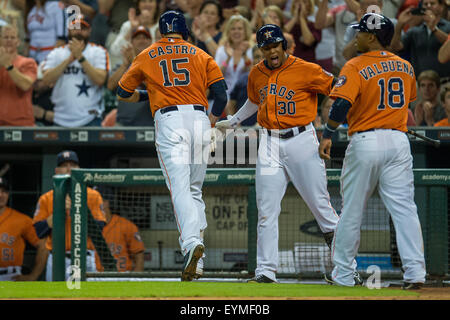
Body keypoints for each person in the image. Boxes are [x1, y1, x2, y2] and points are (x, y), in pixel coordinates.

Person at [215, 24, 354, 284]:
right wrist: (234, 121)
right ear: (261, 50)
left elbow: (339, 89)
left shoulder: (307, 69)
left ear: (284, 45)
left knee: (322, 208)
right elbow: (255, 101)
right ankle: (266, 271)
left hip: (302, 140)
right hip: (268, 142)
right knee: (266, 209)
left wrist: (346, 117)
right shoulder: (256, 73)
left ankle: (347, 270)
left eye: (275, 46)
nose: (271, 51)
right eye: (266, 47)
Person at [116, 11, 228, 281]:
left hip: (170, 120)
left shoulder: (147, 54)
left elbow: (121, 92)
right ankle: (198, 262)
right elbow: (222, 96)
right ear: (184, 31)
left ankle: (190, 244)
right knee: (194, 190)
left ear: (161, 32)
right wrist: (211, 122)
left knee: (179, 187)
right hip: (201, 119)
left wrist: (150, 93)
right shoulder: (201, 54)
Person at [318, 13, 426, 289]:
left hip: (366, 141)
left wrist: (328, 133)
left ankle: (343, 274)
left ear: (373, 36)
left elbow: (340, 106)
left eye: (361, 32)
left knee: (353, 210)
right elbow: (407, 104)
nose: (357, 35)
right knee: (404, 210)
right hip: (398, 141)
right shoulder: (405, 66)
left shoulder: (355, 65)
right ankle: (415, 274)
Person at [32, 150, 107, 281]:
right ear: (56, 170)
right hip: (57, 259)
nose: (68, 169)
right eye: (64, 165)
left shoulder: (93, 196)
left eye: (73, 165)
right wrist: (59, 211)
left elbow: (99, 229)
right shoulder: (47, 198)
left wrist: (76, 208)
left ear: (79, 169)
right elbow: (39, 231)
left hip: (85, 257)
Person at [42, 15, 109, 127]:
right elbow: (46, 80)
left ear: (89, 31)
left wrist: (80, 57)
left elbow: (100, 79)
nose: (78, 32)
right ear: (68, 30)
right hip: (60, 118)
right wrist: (68, 60)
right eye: (75, 28)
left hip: (90, 118)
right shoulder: (57, 53)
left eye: (82, 28)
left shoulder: (98, 51)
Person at [0, 177, 47, 281]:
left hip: (10, 276)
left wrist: (33, 275)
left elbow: (43, 245)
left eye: (4, 191)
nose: (1, 195)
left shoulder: (22, 220)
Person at [107, 26, 154, 126]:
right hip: (122, 123)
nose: (141, 41)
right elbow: (110, 86)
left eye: (145, 38)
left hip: (148, 123)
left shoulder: (156, 65)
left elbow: (154, 87)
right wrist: (125, 65)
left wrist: (133, 63)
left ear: (151, 42)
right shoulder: (123, 65)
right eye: (138, 38)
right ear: (131, 42)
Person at [390, 0, 450, 78]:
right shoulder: (415, 31)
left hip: (445, 81)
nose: (428, 6)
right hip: (419, 83)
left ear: (441, 7)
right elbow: (396, 47)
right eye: (425, 4)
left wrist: (433, 29)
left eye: (432, 3)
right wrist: (400, 25)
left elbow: (448, 45)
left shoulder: (448, 26)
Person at [0, 24, 37, 126]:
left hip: (22, 124)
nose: (9, 40)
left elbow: (25, 85)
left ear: (18, 42)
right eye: (5, 37)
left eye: (12, 37)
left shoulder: (28, 62)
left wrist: (8, 65)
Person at [109, 0, 160, 67]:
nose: (147, 4)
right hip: (131, 67)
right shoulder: (128, 25)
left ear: (156, 4)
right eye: (144, 1)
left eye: (151, 1)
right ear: (138, 5)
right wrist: (132, 28)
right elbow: (115, 51)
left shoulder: (161, 26)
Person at [101, 195, 145, 272]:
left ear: (107, 203)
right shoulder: (84, 226)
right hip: (94, 276)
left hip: (122, 276)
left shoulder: (126, 225)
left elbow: (139, 255)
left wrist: (136, 279)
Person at [215, 14, 254, 100]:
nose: (236, 31)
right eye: (233, 29)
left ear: (245, 31)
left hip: (245, 96)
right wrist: (228, 59)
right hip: (224, 96)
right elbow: (217, 75)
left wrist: (244, 56)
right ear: (228, 32)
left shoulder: (251, 49)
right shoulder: (221, 50)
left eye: (240, 29)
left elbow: (254, 74)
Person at [24, 0, 67, 64]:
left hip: (49, 58)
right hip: (32, 58)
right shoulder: (31, 10)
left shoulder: (56, 6)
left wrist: (51, 59)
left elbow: (62, 38)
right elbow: (28, 39)